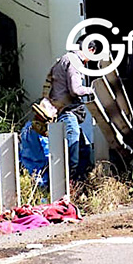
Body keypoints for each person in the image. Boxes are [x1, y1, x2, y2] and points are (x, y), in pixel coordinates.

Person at [43, 41, 98, 177]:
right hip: (67, 113)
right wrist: (95, 90)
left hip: (63, 111)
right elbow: (76, 90)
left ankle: (79, 185)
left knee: (85, 151)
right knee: (73, 154)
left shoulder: (65, 59)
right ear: (90, 50)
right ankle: (69, 185)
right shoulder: (74, 62)